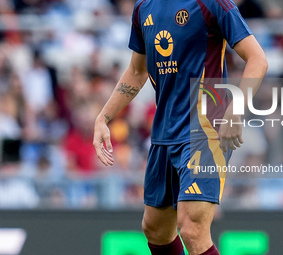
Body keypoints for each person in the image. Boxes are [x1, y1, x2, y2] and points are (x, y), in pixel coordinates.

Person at [93, 0, 267, 254]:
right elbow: (137, 70)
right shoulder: (143, 8)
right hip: (165, 132)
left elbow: (257, 59)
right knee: (156, 229)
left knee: (192, 228)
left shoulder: (212, 3)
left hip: (206, 128)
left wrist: (236, 109)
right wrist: (103, 117)